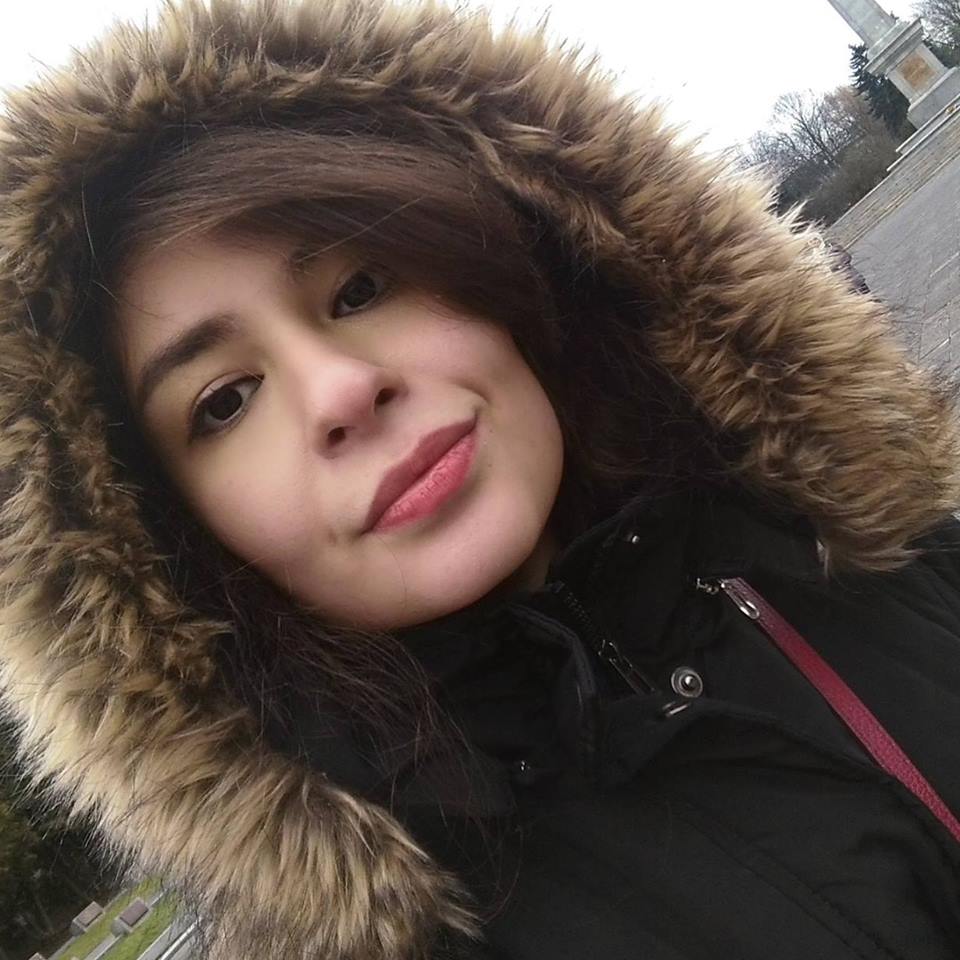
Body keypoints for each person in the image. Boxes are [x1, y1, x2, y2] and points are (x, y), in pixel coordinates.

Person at [0, 1, 958, 958]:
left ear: (513, 249)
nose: (342, 390)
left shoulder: (881, 549)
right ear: (165, 544)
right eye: (224, 402)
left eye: (361, 288)